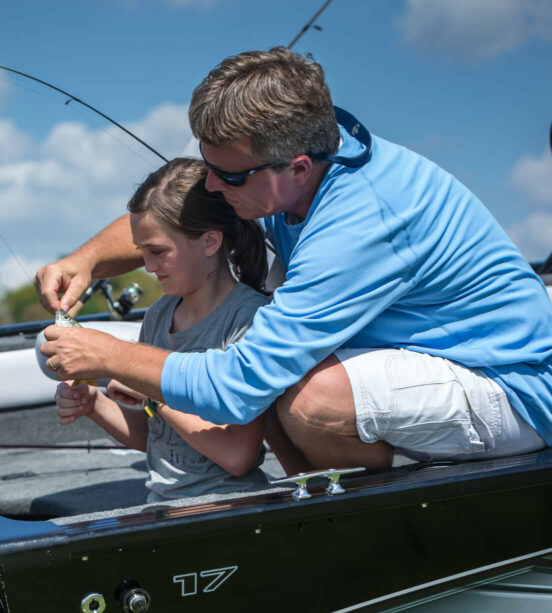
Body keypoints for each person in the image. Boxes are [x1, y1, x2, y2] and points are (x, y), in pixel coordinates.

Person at [38, 47, 552, 475]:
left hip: (512, 387)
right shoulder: (296, 163)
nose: (213, 187)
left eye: (228, 177)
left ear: (299, 168)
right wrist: (86, 260)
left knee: (310, 398)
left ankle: (381, 521)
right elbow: (184, 217)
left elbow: (239, 387)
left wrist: (110, 354)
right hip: (427, 359)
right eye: (209, 166)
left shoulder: (361, 221)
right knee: (288, 380)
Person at [55, 158, 270, 501]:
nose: (149, 267)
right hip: (161, 504)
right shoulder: (158, 316)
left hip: (228, 505)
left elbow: (237, 456)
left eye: (158, 252)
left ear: (210, 242)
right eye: (143, 254)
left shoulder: (249, 319)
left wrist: (155, 394)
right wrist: (93, 403)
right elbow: (151, 435)